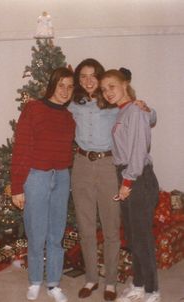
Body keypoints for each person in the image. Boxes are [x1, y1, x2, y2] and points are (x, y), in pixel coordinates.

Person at [68, 58, 156, 301]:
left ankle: (110, 282)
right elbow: (54, 106)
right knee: (85, 227)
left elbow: (146, 117)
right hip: (82, 165)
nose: (88, 81)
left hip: (109, 166)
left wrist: (147, 107)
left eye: (92, 75)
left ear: (101, 77)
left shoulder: (113, 103)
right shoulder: (74, 104)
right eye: (82, 76)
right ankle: (91, 279)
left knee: (111, 228)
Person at [11, 67, 75, 302]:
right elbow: (21, 149)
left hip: (61, 176)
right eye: (61, 85)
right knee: (36, 232)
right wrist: (17, 186)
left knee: (56, 233)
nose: (65, 91)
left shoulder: (69, 116)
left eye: (70, 87)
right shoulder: (34, 108)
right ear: (53, 85)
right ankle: (36, 280)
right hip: (36, 177)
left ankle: (54, 284)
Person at [100, 69, 160, 302]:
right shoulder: (124, 111)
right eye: (104, 89)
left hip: (137, 178)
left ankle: (153, 290)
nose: (107, 92)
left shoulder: (134, 110)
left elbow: (138, 150)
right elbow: (151, 118)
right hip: (127, 175)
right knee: (133, 237)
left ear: (125, 84)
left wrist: (127, 182)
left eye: (112, 86)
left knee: (142, 237)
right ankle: (139, 284)